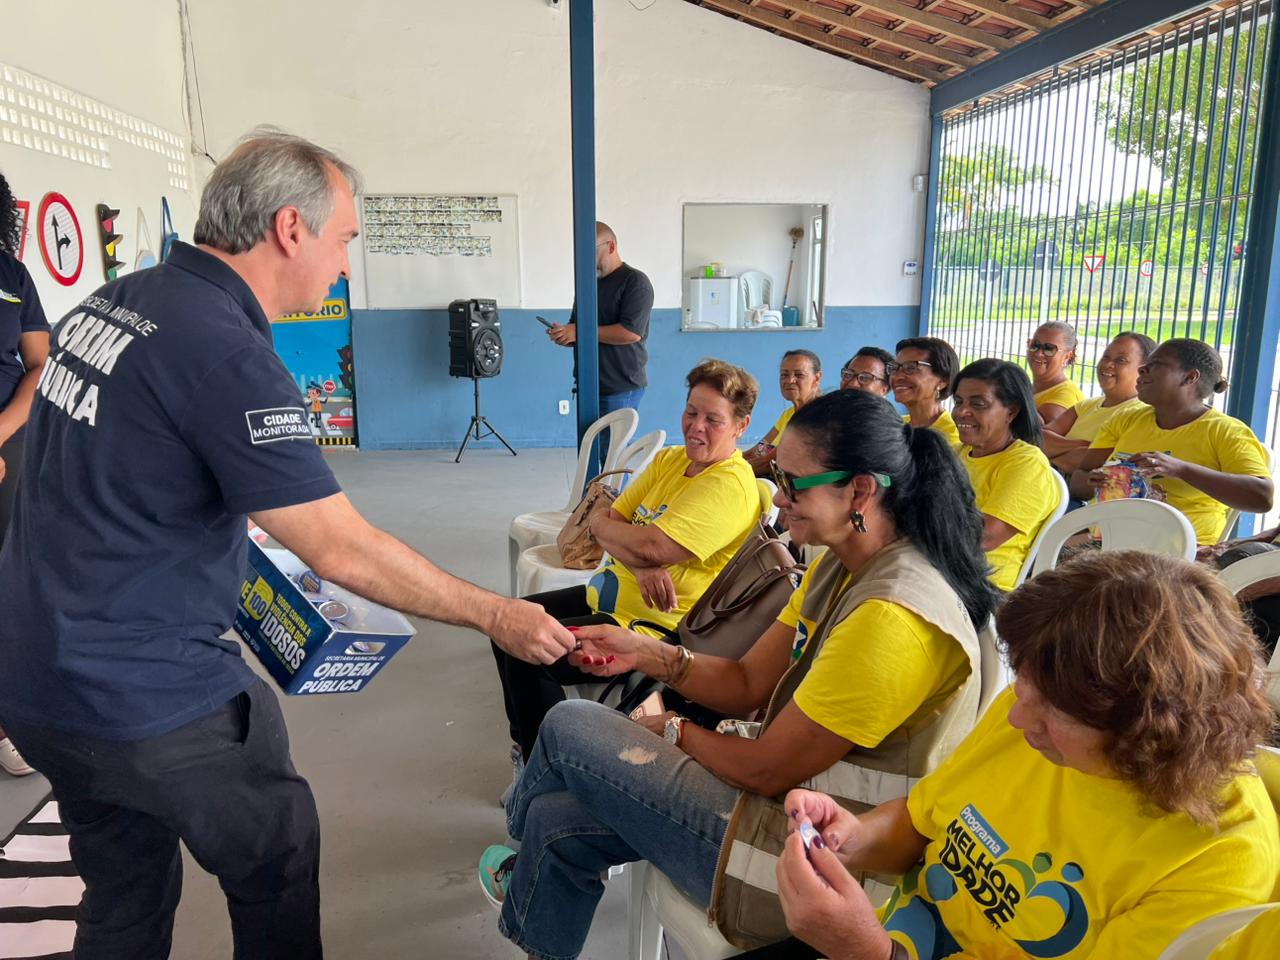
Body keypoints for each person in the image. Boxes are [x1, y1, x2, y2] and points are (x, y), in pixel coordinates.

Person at [0, 131, 574, 960]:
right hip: (147, 691)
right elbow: (340, 548)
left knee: (123, 891)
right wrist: (498, 614)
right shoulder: (226, 350)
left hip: (33, 677)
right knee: (276, 857)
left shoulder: (112, 301)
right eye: (344, 239)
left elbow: (117, 466)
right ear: (290, 228)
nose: (345, 266)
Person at [478, 389, 1002, 958]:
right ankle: (530, 877)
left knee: (570, 722)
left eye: (793, 484)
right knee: (556, 821)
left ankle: (515, 843)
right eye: (777, 476)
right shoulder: (840, 566)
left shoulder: (892, 617)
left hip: (817, 866)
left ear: (859, 491)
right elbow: (749, 681)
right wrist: (647, 654)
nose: (777, 497)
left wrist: (673, 729)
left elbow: (766, 769)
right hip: (786, 806)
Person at [758, 552, 1279, 960]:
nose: (1015, 717)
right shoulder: (1036, 714)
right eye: (1024, 688)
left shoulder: (1216, 864)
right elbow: (922, 823)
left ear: (1147, 734)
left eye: (1052, 711)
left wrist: (867, 951)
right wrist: (851, 839)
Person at [492, 358, 762, 763]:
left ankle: (545, 765)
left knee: (527, 652)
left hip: (651, 624)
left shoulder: (729, 485)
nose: (696, 427)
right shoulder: (672, 460)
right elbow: (607, 519)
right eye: (691, 412)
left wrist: (627, 542)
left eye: (713, 420)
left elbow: (648, 543)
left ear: (741, 426)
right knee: (508, 622)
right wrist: (640, 562)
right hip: (608, 597)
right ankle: (528, 748)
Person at [1070, 339, 1272, 545]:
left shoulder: (1225, 431)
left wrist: (1180, 469)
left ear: (1189, 377)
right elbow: (1078, 481)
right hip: (1111, 537)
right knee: (1051, 550)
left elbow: (1262, 497)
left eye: (1156, 364)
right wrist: (1097, 482)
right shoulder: (1126, 419)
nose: (1142, 369)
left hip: (1179, 548)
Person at [0, 168, 50, 778]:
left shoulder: (12, 275)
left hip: (12, 442)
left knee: (13, 582)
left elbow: (39, 363)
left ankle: (8, 724)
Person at [953, 359, 1060, 592]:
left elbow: (984, 537)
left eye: (978, 404)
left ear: (1011, 411)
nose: (961, 412)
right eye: (958, 401)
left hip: (981, 588)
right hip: (939, 571)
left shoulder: (1027, 463)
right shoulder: (956, 453)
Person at [545, 221, 653, 415]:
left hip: (619, 387)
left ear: (611, 247)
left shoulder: (635, 282)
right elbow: (577, 328)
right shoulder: (587, 285)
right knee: (591, 437)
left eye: (591, 251)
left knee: (610, 437)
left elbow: (630, 333)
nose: (586, 259)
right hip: (588, 385)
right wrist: (565, 335)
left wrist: (579, 332)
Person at [1042, 331, 1155, 474]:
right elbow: (1039, 439)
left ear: (1143, 370)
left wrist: (1050, 456)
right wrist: (1084, 445)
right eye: (1106, 356)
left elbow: (1102, 464)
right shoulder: (1086, 405)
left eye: (1121, 360)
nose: (1108, 364)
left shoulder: (1138, 413)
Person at [746, 349, 823, 477]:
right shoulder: (788, 414)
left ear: (817, 378)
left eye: (799, 375)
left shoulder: (818, 417)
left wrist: (733, 470)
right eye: (784, 375)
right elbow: (760, 450)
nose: (790, 380)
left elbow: (769, 463)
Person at [889, 336, 960, 449]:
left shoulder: (951, 439)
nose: (897, 376)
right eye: (894, 368)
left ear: (943, 381)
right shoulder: (898, 426)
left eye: (910, 368)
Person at [1027, 321, 1084, 424]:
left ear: (1067, 356)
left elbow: (1036, 432)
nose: (1039, 353)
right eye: (1035, 345)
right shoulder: (1031, 388)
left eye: (1049, 349)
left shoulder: (1065, 396)